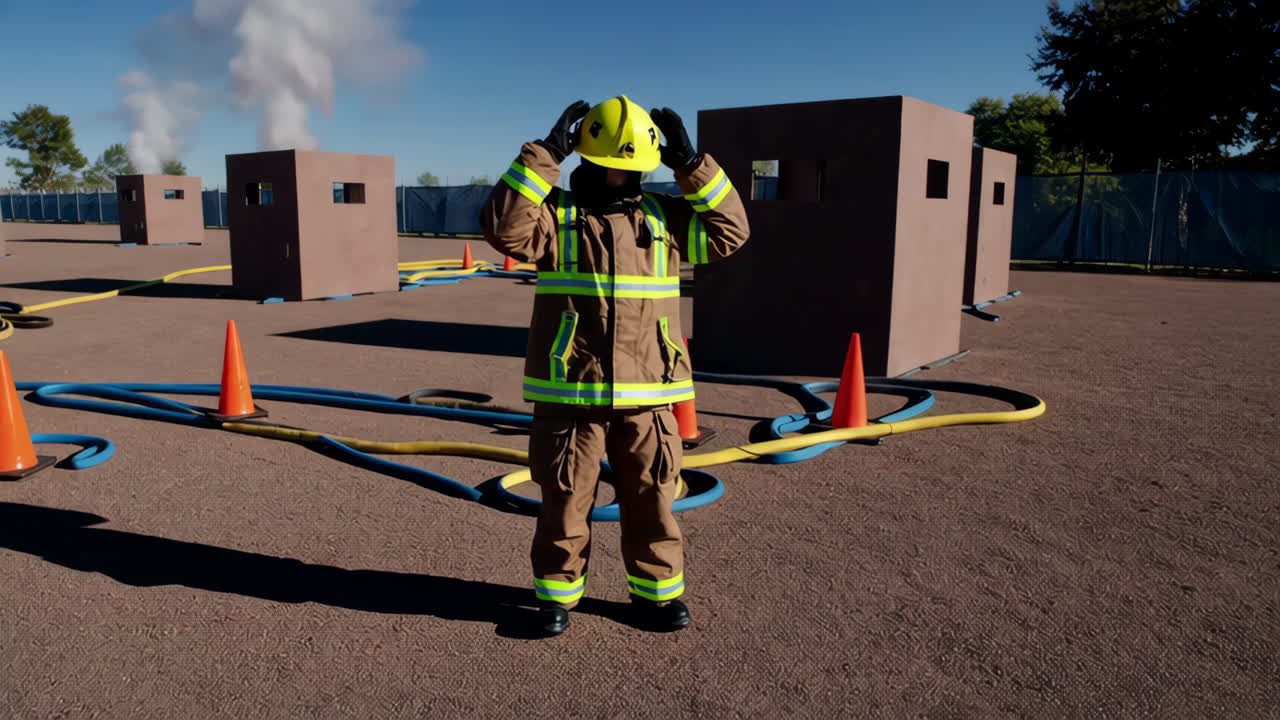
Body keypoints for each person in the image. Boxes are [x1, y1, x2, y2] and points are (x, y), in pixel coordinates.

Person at [482, 96, 749, 635]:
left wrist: (693, 167)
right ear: (588, 157)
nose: (622, 174)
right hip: (571, 393)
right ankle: (557, 596)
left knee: (653, 498)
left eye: (632, 167)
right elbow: (504, 231)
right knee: (563, 500)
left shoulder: (665, 217)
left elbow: (730, 232)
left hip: (647, 393)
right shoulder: (555, 215)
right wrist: (543, 155)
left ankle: (655, 596)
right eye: (613, 164)